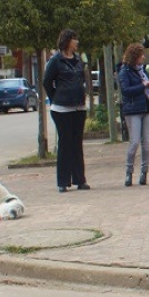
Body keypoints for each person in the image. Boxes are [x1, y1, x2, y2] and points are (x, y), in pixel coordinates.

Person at [43, 29, 89, 193]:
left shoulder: (78, 60)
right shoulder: (56, 60)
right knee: (65, 143)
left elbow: (82, 79)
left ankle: (80, 179)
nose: (77, 42)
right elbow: (47, 82)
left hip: (78, 106)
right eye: (75, 39)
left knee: (77, 143)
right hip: (61, 109)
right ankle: (63, 181)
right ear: (67, 41)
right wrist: (56, 98)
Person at [118, 42, 149, 187]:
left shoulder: (142, 70)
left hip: (146, 107)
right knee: (134, 142)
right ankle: (129, 172)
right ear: (134, 57)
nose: (143, 58)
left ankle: (144, 172)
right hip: (133, 109)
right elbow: (126, 91)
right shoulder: (124, 72)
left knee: (146, 143)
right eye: (141, 55)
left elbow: (146, 89)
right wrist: (143, 86)